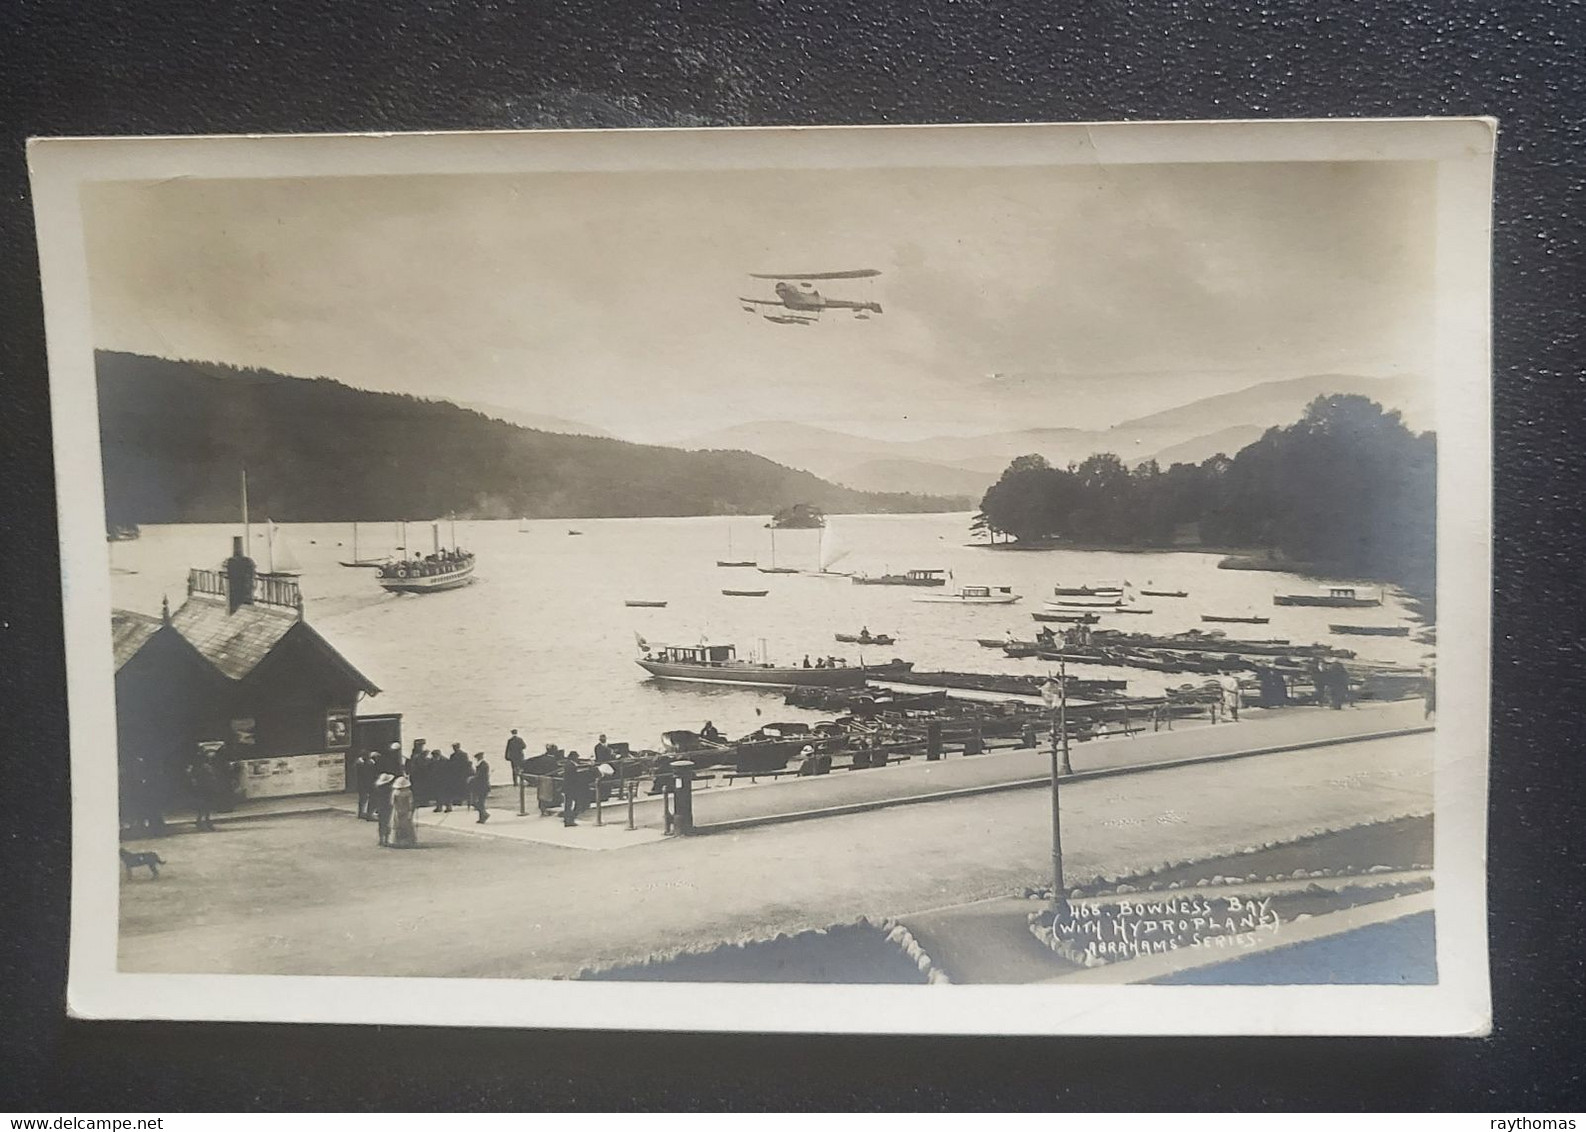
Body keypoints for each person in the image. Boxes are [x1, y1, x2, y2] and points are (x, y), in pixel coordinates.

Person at [390, 775, 418, 847]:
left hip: (397, 810)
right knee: (407, 825)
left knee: (397, 825)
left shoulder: (395, 792)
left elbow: (392, 802)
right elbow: (410, 802)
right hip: (405, 810)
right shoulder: (408, 792)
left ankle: (395, 840)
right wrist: (410, 810)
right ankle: (409, 840)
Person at [372, 773, 395, 847]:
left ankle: (381, 839)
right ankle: (386, 839)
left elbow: (375, 800)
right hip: (387, 806)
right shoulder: (389, 789)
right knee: (387, 822)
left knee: (381, 823)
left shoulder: (378, 790)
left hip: (380, 807)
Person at [446, 744, 470, 812]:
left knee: (461, 789)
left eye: (455, 747)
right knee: (455, 790)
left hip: (461, 775)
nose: (455, 749)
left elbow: (465, 765)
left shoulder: (463, 755)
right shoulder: (453, 755)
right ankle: (456, 802)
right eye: (454, 748)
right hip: (455, 775)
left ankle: (459, 802)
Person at [355, 751, 377, 820]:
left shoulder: (364, 762)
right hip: (364, 782)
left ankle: (364, 813)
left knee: (364, 798)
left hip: (365, 782)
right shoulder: (362, 763)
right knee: (365, 798)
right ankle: (366, 813)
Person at [469, 753, 491, 824]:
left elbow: (480, 776)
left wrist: (472, 778)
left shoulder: (483, 765)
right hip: (480, 786)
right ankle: (483, 816)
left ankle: (484, 815)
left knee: (479, 802)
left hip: (483, 786)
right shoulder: (481, 764)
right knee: (479, 802)